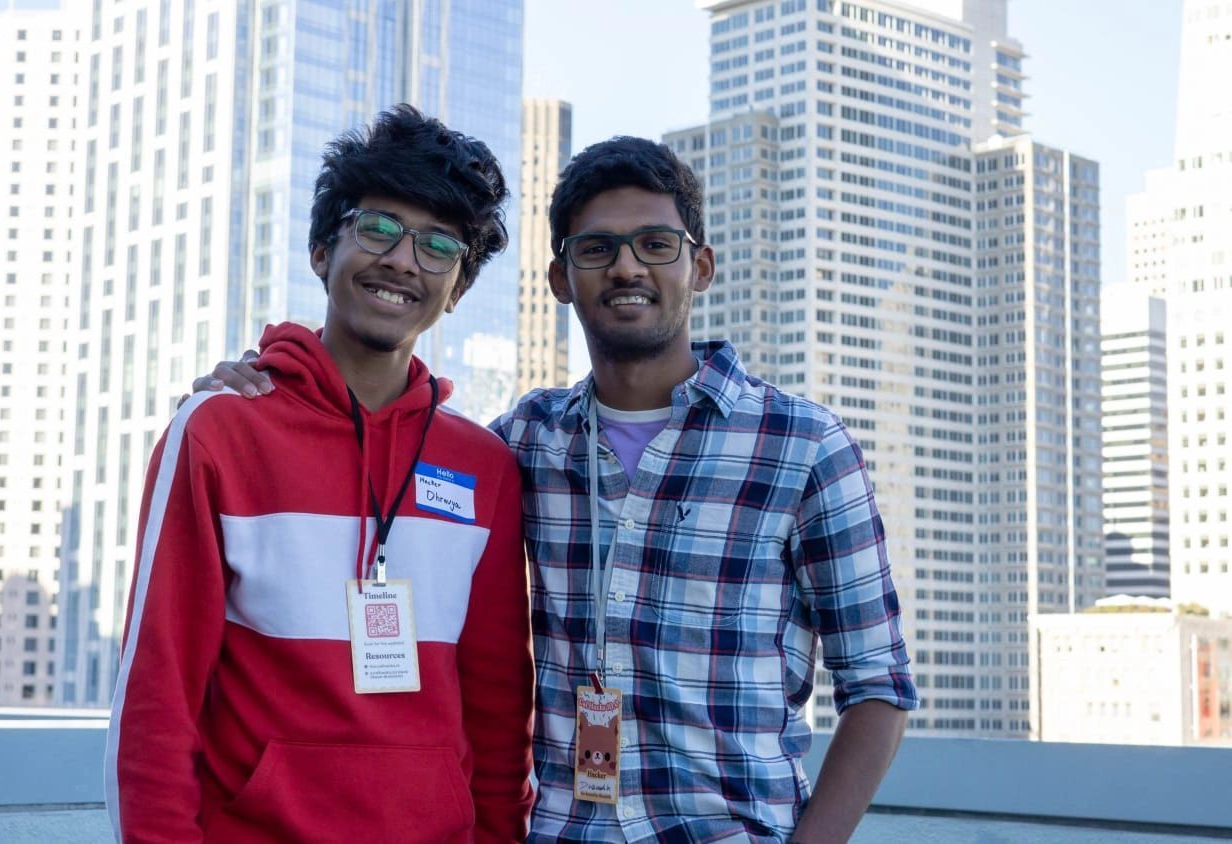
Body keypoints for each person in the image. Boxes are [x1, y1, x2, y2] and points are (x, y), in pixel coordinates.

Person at [197, 136, 917, 843]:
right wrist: (268, 379)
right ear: (560, 279)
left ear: (699, 266)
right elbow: (367, 434)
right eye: (597, 249)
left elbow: (878, 686)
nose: (627, 266)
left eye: (655, 245)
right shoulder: (521, 445)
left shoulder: (804, 447)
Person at [109, 105, 535, 844]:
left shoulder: (485, 467)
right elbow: (157, 698)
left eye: (439, 247)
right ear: (319, 249)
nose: (404, 260)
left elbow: (499, 714)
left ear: (458, 289)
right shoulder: (220, 431)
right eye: (378, 229)